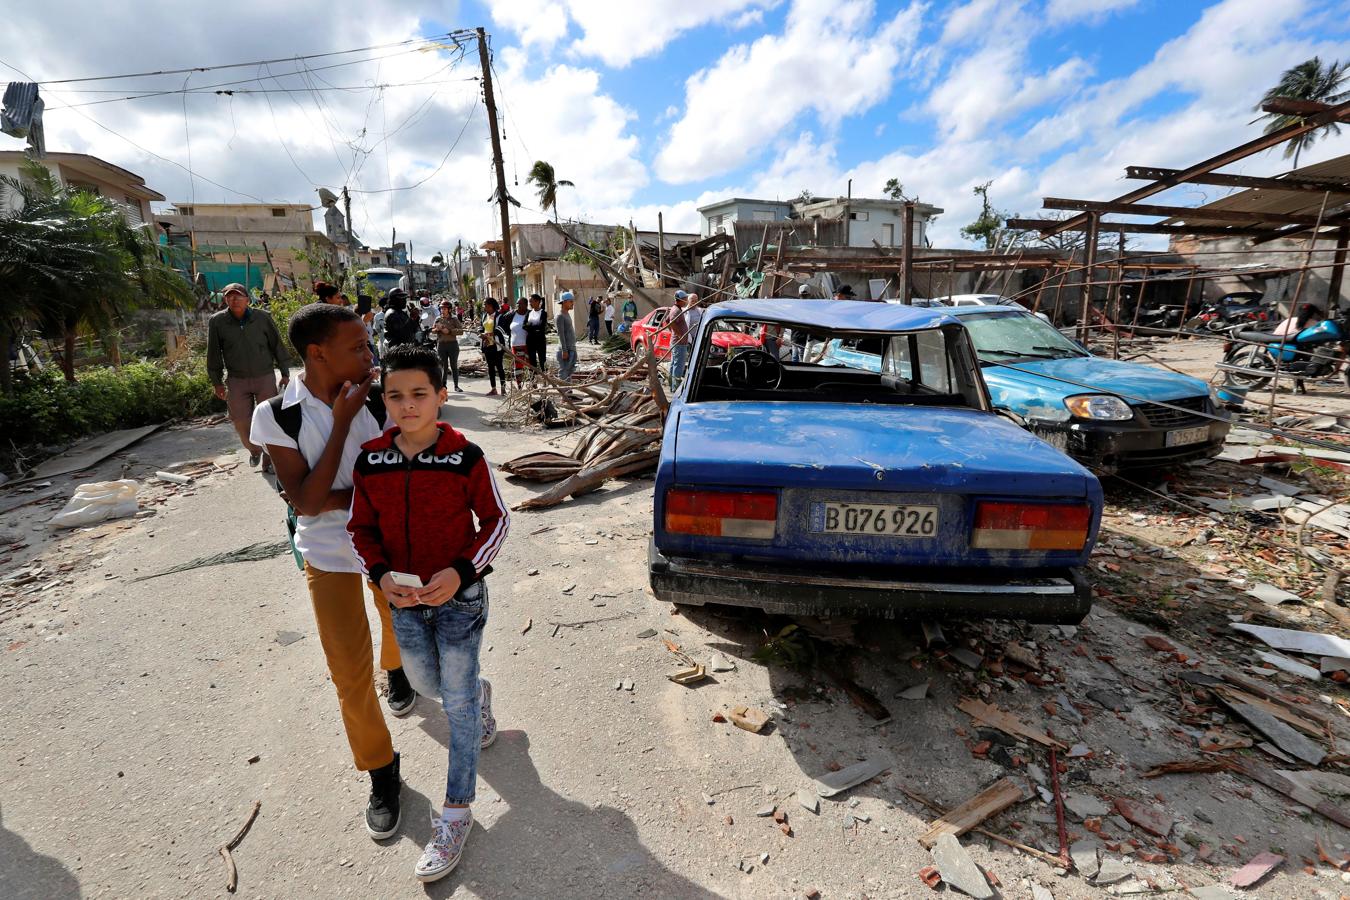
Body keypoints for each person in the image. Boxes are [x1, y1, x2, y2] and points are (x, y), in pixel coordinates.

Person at [249, 303, 415, 842]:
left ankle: (398, 670)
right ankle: (381, 770)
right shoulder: (277, 415)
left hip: (386, 546)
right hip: (326, 556)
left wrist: (343, 494)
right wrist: (342, 426)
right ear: (317, 354)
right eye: (358, 348)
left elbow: (400, 473)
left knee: (398, 630)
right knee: (348, 673)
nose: (370, 356)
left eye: (369, 346)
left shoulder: (381, 396)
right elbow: (304, 500)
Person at [347, 344, 508, 883]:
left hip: (460, 601)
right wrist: (381, 576)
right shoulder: (371, 459)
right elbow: (359, 530)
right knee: (423, 684)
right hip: (405, 604)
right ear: (384, 401)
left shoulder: (466, 456)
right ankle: (478, 693)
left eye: (419, 394)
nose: (408, 406)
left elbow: (496, 523)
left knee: (456, 707)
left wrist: (461, 573)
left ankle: (456, 814)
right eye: (395, 396)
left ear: (441, 396)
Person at [207, 283, 290, 468]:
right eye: (229, 296)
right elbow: (213, 353)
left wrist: (284, 372)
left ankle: (270, 458)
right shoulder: (217, 321)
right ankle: (254, 449)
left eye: (237, 296)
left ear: (247, 299)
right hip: (236, 379)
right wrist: (217, 382)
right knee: (240, 421)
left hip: (264, 376)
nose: (233, 299)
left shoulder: (262, 317)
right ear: (225, 299)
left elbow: (277, 344)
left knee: (268, 419)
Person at [668, 290, 702, 388]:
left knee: (675, 363)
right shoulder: (677, 310)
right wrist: (679, 335)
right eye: (685, 299)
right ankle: (676, 387)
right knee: (679, 365)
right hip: (680, 342)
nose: (686, 301)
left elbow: (667, 320)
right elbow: (671, 322)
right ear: (680, 300)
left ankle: (672, 385)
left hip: (682, 341)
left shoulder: (677, 309)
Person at [433, 299, 464, 392]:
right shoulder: (438, 319)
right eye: (441, 308)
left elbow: (461, 331)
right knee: (443, 366)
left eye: (444, 308)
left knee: (454, 366)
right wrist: (437, 329)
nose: (442, 310)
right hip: (441, 345)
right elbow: (432, 330)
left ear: (449, 309)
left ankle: (456, 386)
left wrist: (450, 331)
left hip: (452, 345)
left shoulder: (454, 319)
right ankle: (443, 386)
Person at [480, 298, 507, 396]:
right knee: (490, 367)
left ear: (491, 306)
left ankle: (503, 388)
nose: (484, 307)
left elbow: (501, 329)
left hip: (497, 345)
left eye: (485, 305)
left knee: (499, 367)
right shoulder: (484, 316)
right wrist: (481, 333)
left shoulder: (499, 316)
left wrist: (490, 334)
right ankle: (493, 388)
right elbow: (481, 327)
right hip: (487, 345)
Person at [555, 292, 578, 381]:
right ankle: (564, 392)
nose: (572, 303)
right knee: (564, 372)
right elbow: (561, 334)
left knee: (569, 372)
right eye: (570, 301)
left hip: (571, 348)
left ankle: (568, 393)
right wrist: (564, 351)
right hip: (565, 350)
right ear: (564, 302)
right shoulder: (560, 316)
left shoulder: (566, 314)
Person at [523, 294, 548, 373]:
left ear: (537, 302)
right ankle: (533, 381)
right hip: (530, 341)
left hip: (540, 340)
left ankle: (545, 379)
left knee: (542, 361)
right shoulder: (529, 313)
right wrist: (534, 328)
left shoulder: (543, 313)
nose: (530, 303)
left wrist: (530, 326)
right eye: (529, 301)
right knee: (532, 361)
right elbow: (524, 325)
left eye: (531, 301)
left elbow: (541, 326)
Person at [507, 297, 529, 387]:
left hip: (527, 345)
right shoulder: (512, 314)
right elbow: (504, 324)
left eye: (520, 304)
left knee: (530, 365)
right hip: (515, 345)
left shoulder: (530, 314)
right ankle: (519, 385)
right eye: (517, 304)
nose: (518, 306)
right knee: (518, 366)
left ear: (526, 305)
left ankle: (533, 384)